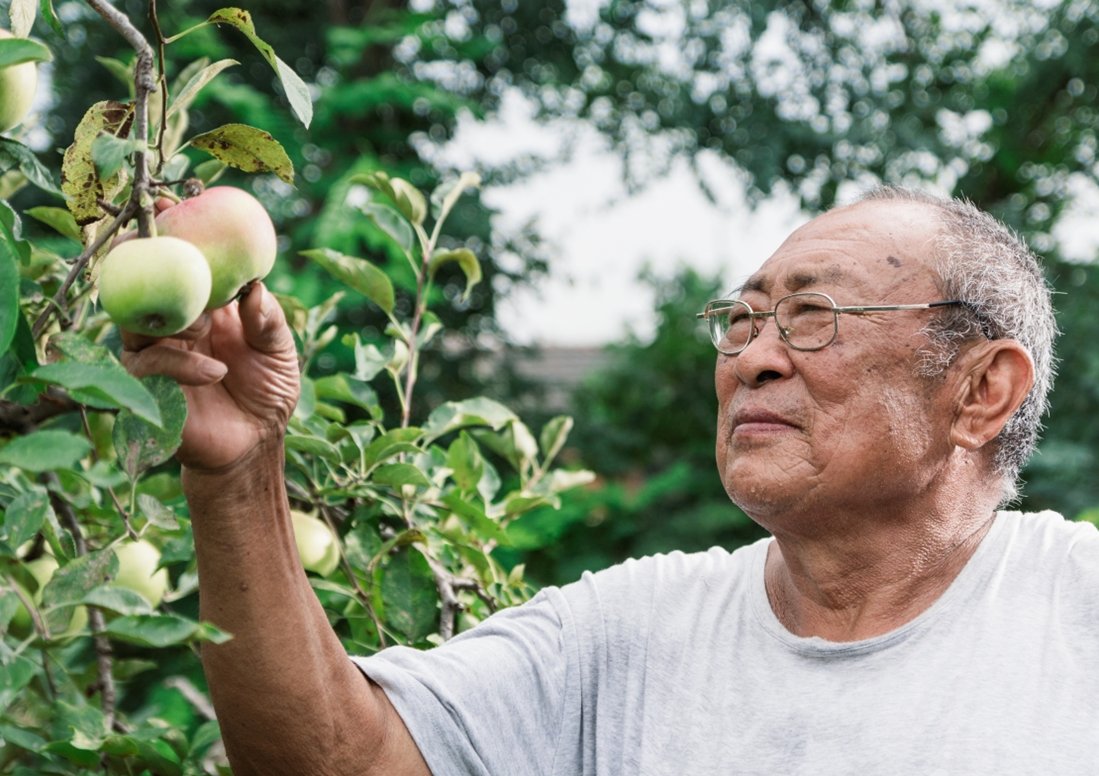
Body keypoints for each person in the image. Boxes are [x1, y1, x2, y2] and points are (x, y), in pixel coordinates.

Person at [122, 186, 1099, 775]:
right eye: (742, 319)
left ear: (980, 389)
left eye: (811, 317)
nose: (750, 358)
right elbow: (335, 761)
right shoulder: (630, 632)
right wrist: (241, 471)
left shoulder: (1076, 609)